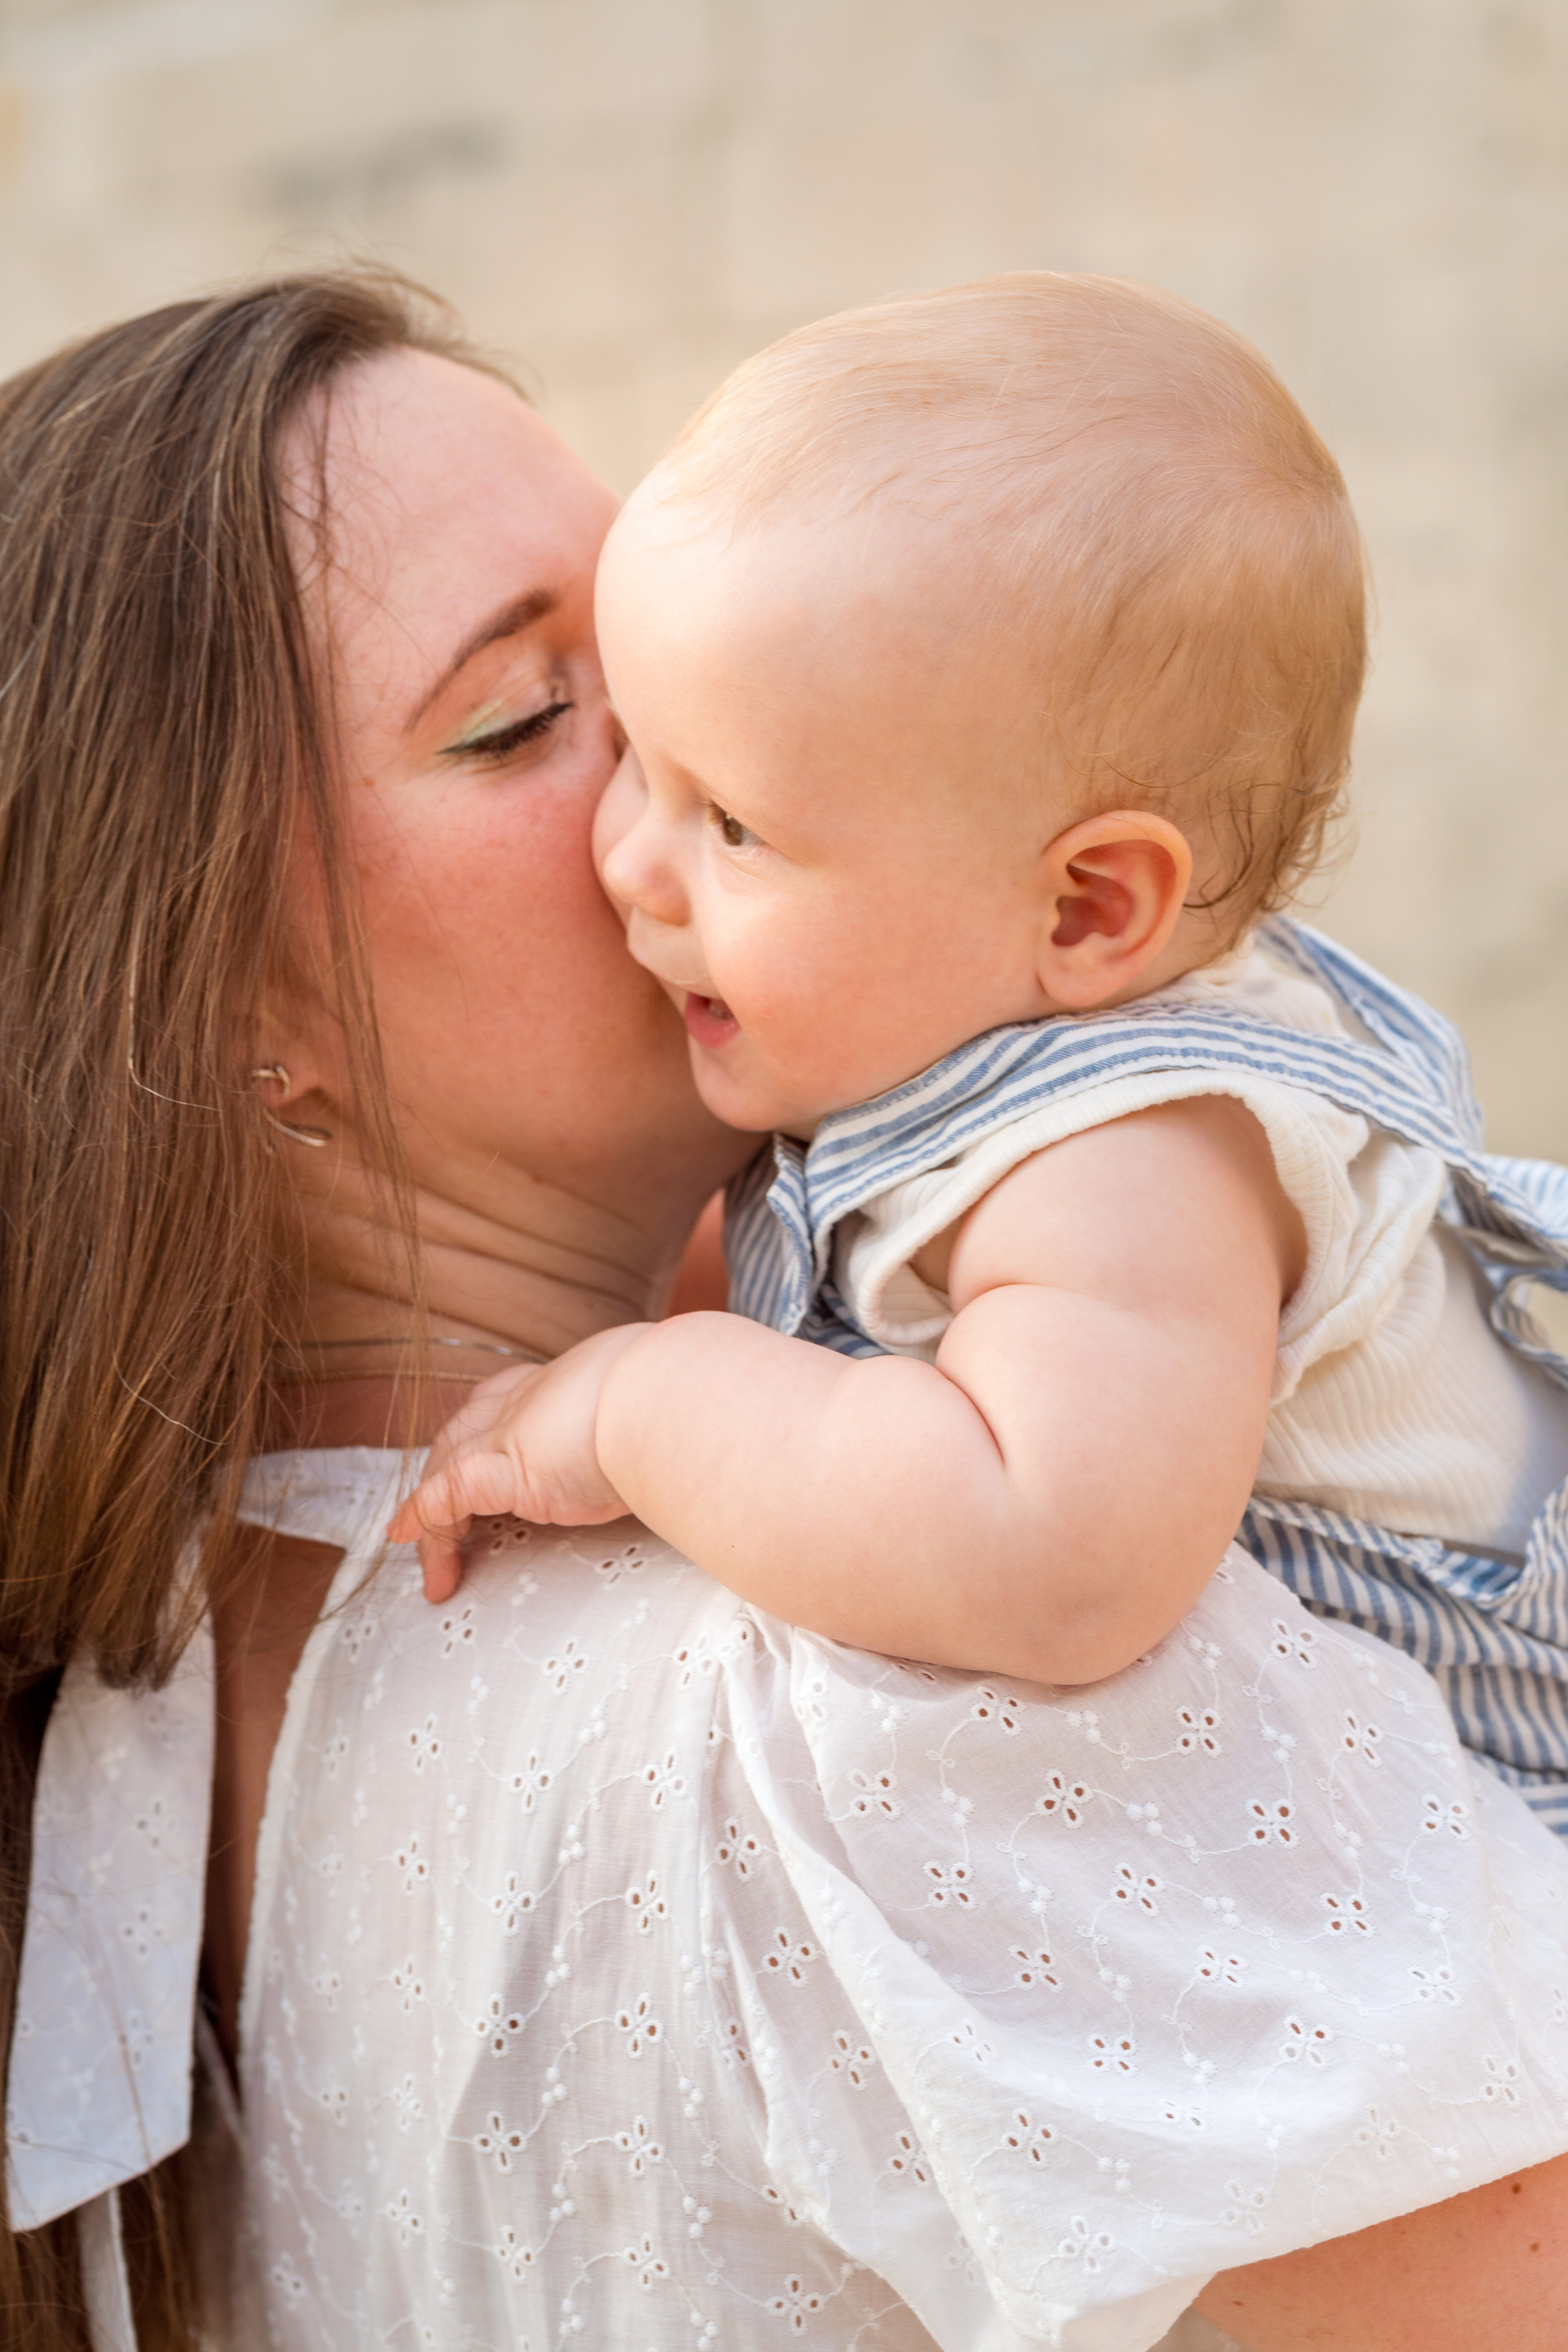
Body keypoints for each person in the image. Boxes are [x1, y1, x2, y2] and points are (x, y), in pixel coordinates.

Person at [4, 272, 1568, 2352]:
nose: (715, 771)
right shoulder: (891, 1711)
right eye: (532, 718)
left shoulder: (126, 1762)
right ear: (213, 1025)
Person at [398, 275, 1568, 1839]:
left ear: (1087, 907)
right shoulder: (960, 1029)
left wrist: (643, 1404)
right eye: (636, 766)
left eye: (732, 824)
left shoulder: (1123, 1159)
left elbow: (1050, 1556)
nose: (629, 863)